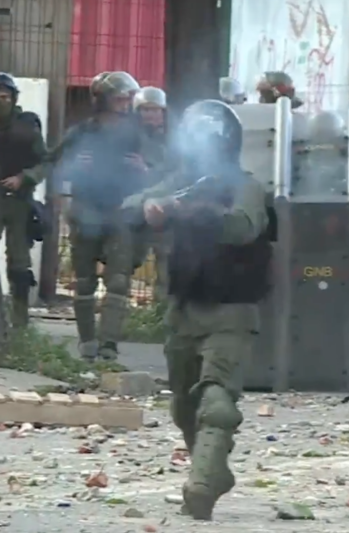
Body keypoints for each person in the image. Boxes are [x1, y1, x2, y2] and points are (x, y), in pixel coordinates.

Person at [122, 99, 273, 520]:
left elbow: (243, 227)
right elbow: (131, 205)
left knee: (217, 400)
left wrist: (186, 211)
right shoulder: (182, 181)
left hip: (232, 309)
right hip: (184, 309)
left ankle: (202, 485)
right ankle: (212, 470)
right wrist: (148, 208)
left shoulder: (247, 186)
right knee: (182, 408)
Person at [34, 71, 146, 361]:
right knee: (84, 281)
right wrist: (71, 170)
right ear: (103, 99)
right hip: (85, 211)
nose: (126, 102)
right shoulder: (83, 132)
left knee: (119, 281)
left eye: (129, 97)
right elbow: (51, 160)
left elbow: (166, 168)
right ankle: (87, 342)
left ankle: (109, 345)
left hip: (122, 210)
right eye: (120, 97)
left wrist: (145, 168)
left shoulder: (138, 132)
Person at [0, 73, 47, 327]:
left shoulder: (26, 127)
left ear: (13, 98)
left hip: (18, 202)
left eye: (4, 97)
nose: (0, 102)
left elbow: (44, 162)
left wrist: (24, 177)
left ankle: (20, 324)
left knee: (19, 266)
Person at [133, 86, 172, 300]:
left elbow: (177, 171)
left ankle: (161, 315)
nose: (150, 115)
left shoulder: (173, 139)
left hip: (163, 206)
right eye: (145, 110)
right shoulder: (129, 137)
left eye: (155, 110)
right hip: (135, 206)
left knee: (166, 263)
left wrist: (149, 170)